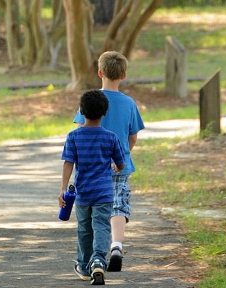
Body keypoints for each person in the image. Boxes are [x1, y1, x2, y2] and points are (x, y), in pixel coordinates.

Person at [73, 51, 145, 272]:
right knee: (118, 206)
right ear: (123, 75)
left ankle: (92, 256)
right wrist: (120, 156)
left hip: (92, 169)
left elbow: (80, 130)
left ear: (99, 72)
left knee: (93, 213)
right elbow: (133, 136)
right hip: (119, 167)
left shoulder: (91, 100)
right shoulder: (129, 103)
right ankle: (116, 245)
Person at [58, 90, 125, 285]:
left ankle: (85, 266)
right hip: (104, 193)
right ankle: (98, 260)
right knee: (102, 227)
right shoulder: (111, 137)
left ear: (81, 111)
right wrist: (115, 166)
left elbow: (68, 163)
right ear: (105, 112)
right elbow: (120, 163)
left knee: (85, 229)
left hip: (83, 194)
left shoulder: (73, 137)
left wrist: (63, 188)